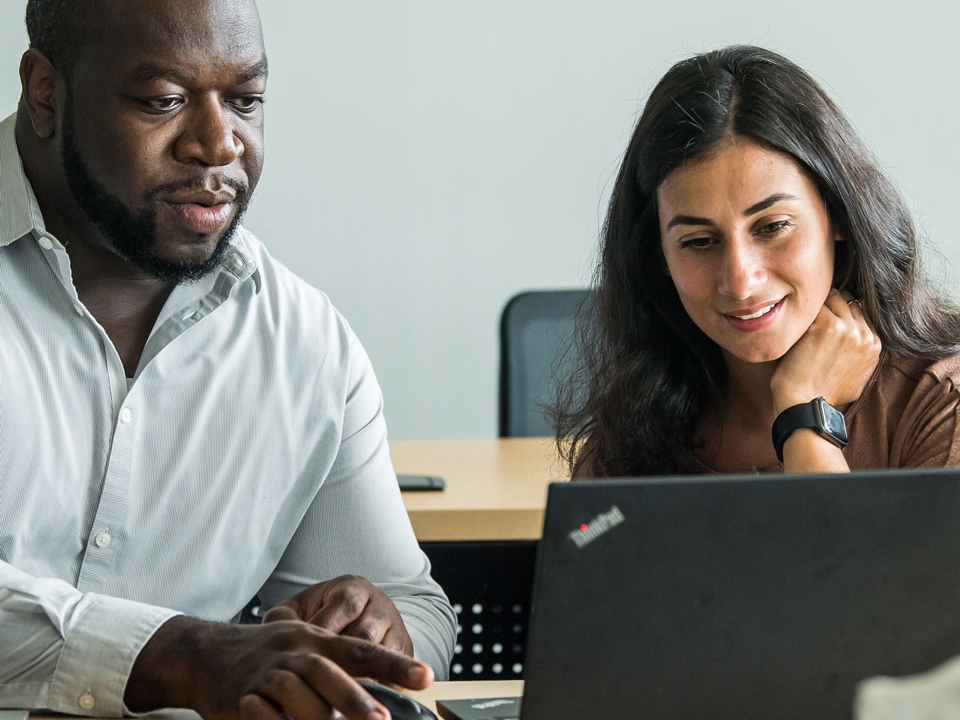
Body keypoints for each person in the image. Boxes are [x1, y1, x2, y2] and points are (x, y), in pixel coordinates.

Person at [0, 1, 456, 718]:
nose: (219, 144)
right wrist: (180, 656)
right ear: (45, 92)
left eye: (245, 101)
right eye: (164, 101)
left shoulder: (304, 341)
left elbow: (415, 607)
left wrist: (371, 631)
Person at [556, 45, 960, 478]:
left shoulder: (939, 402)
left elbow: (844, 550)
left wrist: (805, 416)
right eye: (698, 241)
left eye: (772, 227)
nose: (741, 281)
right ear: (659, 257)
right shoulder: (635, 426)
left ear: (839, 216)